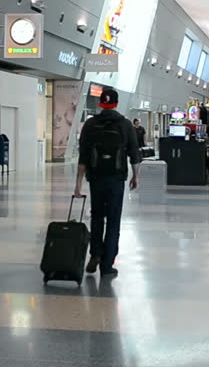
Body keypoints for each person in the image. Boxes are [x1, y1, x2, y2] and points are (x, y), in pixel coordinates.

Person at [75, 88, 141, 277]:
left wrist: (78, 184)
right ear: (116, 103)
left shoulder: (91, 125)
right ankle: (107, 263)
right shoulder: (125, 125)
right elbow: (134, 153)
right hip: (116, 179)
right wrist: (136, 176)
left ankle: (95, 253)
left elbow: (83, 156)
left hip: (96, 178)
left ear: (100, 103)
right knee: (113, 220)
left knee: (97, 217)